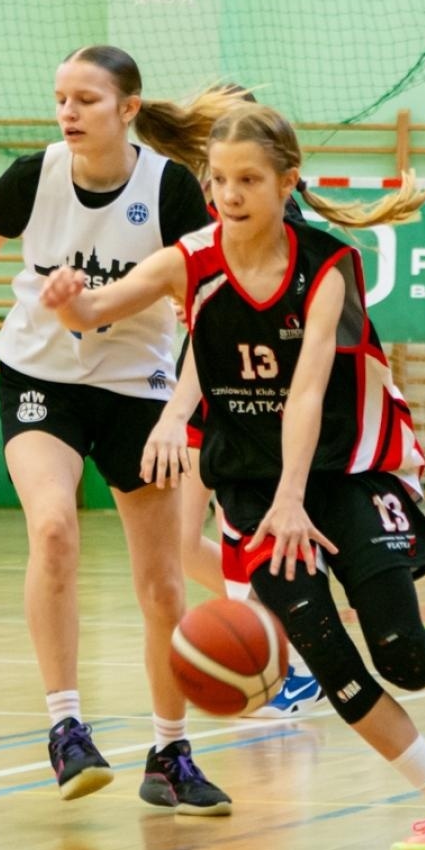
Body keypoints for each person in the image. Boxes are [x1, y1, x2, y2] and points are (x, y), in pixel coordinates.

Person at [41, 102, 425, 850]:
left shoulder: (326, 264)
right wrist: (71, 303)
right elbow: (96, 311)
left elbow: (311, 388)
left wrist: (296, 495)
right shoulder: (190, 260)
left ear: (287, 182)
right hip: (252, 490)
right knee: (331, 662)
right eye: (218, 179)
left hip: (348, 468)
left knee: (405, 658)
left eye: (247, 179)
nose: (229, 193)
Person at [0, 45, 248, 816]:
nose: (67, 112)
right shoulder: (35, 174)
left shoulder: (171, 190)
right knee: (53, 528)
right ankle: (66, 731)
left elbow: (209, 313)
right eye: (60, 98)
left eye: (86, 99)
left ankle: (170, 753)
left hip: (139, 391)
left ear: (128, 109)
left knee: (161, 586)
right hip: (39, 379)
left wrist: (180, 414)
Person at [136, 88, 324, 721]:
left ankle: (285, 658)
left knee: (251, 545)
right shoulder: (204, 209)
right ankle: (279, 641)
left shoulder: (287, 233)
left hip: (256, 407)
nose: (231, 187)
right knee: (184, 548)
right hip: (203, 386)